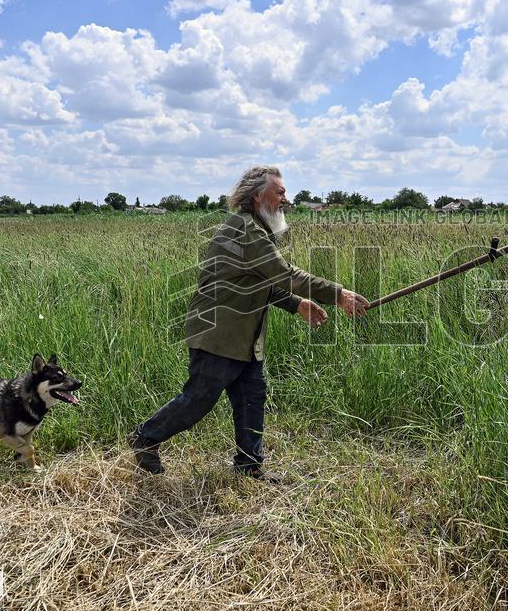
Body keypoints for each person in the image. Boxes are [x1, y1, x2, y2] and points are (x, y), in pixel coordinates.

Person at [128, 166, 369, 479]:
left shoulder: (253, 227)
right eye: (279, 192)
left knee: (251, 398)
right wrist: (338, 294)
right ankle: (145, 437)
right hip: (218, 333)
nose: (285, 199)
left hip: (242, 337)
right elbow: (284, 274)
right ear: (257, 196)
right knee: (199, 398)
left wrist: (296, 304)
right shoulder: (245, 229)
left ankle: (249, 466)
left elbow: (260, 281)